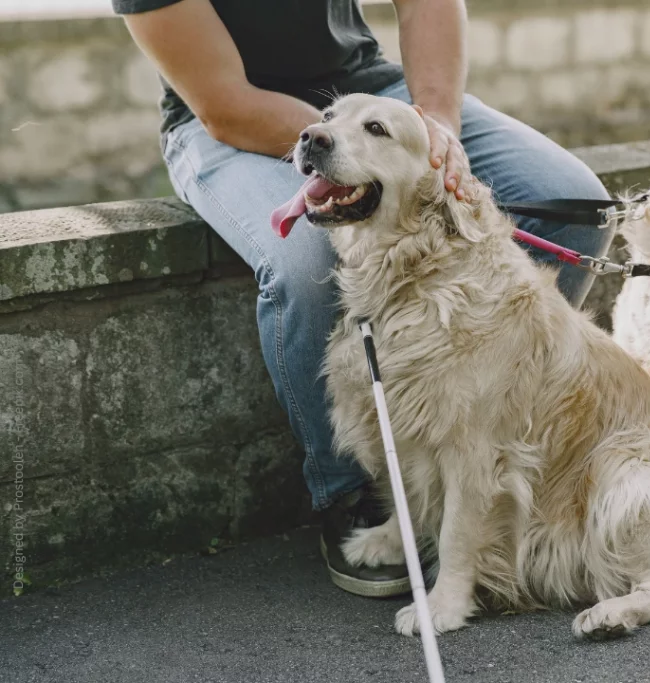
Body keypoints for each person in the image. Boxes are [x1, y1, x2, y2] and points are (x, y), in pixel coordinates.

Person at [114, 0, 613, 597]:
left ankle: (496, 438)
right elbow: (224, 103)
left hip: (373, 94)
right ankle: (359, 494)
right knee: (304, 264)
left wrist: (436, 131)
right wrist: (342, 144)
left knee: (576, 204)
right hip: (223, 117)